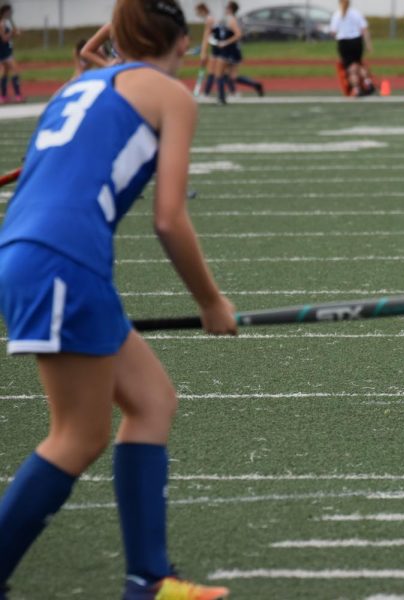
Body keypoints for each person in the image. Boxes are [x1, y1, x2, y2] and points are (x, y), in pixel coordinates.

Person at [0, 0, 236, 599]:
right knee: (77, 435)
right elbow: (169, 219)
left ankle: (149, 579)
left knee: (152, 401)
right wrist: (211, 301)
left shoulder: (81, 83)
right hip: (63, 261)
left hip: (42, 255)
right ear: (183, 43)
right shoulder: (170, 95)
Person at [210, 1, 264, 105]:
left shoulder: (231, 20)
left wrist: (225, 42)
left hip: (229, 50)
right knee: (232, 77)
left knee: (219, 74)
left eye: (227, 8)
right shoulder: (229, 20)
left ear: (230, 9)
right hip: (232, 50)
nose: (225, 9)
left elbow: (238, 34)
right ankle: (255, 85)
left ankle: (221, 99)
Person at [330, 0, 374, 97]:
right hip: (356, 41)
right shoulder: (356, 13)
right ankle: (368, 82)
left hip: (344, 42)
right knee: (358, 64)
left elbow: (333, 32)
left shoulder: (337, 15)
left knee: (351, 68)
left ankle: (357, 89)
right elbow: (364, 29)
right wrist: (368, 44)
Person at [0, 4, 23, 103]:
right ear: (5, 12)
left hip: (7, 49)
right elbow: (4, 38)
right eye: (9, 11)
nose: (11, 13)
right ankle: (18, 95)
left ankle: (3, 97)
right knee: (15, 71)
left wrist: (15, 33)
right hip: (4, 51)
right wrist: (13, 33)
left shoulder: (7, 22)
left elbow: (9, 37)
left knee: (5, 72)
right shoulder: (2, 23)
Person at [195, 3, 217, 95]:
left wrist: (203, 52)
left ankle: (203, 92)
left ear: (202, 10)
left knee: (212, 70)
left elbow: (206, 37)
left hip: (215, 47)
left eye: (198, 11)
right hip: (214, 46)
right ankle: (203, 91)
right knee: (215, 70)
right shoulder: (209, 18)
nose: (197, 13)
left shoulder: (209, 19)